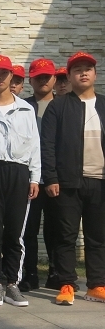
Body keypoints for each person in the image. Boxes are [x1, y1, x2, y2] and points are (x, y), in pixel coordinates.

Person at [0, 55, 40, 308]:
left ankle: (13, 283)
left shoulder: (26, 109)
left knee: (15, 233)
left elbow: (34, 145)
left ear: (12, 76)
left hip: (19, 173)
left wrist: (35, 177)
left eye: (4, 73)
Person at [41, 51, 105, 306]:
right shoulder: (58, 106)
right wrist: (51, 177)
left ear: (95, 74)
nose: (83, 73)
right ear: (68, 76)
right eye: (77, 69)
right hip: (67, 182)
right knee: (65, 236)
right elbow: (47, 144)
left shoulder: (103, 104)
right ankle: (66, 283)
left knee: (97, 236)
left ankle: (97, 284)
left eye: (87, 68)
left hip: (100, 181)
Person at [22, 58, 58, 291]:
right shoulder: (23, 106)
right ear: (31, 80)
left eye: (47, 76)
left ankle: (56, 273)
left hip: (56, 179)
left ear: (54, 78)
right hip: (30, 179)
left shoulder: (64, 105)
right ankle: (30, 273)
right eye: (38, 77)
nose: (43, 80)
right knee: (29, 230)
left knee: (56, 230)